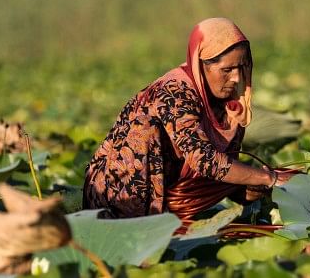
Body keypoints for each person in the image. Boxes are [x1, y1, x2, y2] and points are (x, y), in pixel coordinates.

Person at [82, 18, 293, 219]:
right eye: (227, 70)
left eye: (242, 66)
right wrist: (269, 178)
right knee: (144, 129)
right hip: (117, 197)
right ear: (201, 66)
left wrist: (249, 189)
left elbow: (222, 171)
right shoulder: (175, 92)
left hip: (173, 194)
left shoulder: (231, 106)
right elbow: (203, 159)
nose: (237, 77)